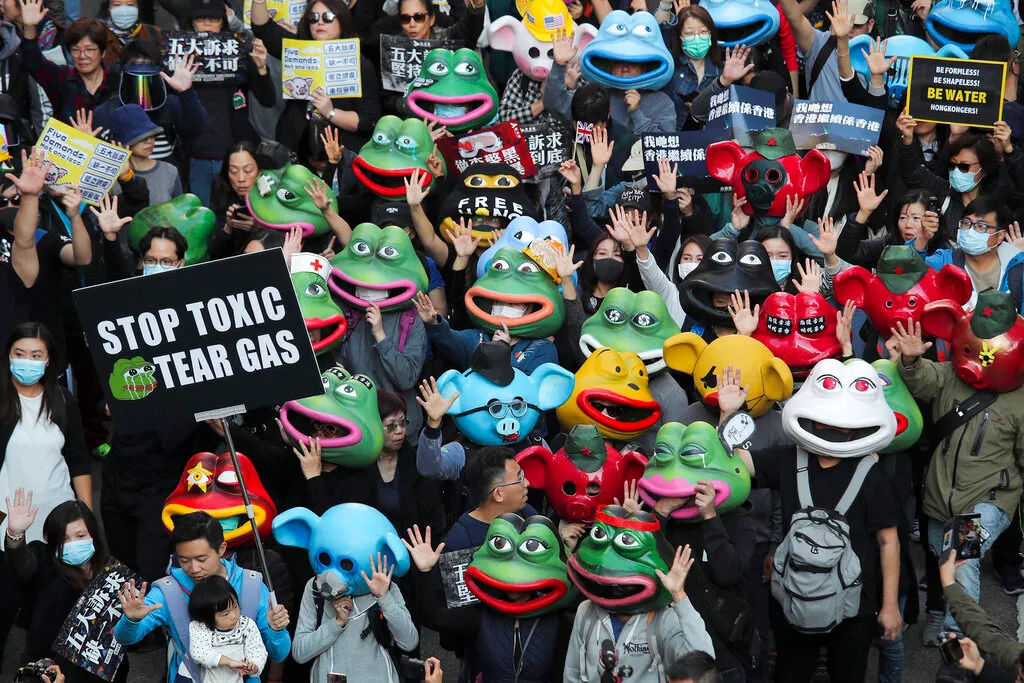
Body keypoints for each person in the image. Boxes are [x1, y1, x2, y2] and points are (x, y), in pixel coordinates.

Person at [113, 511, 291, 683]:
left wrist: (276, 631)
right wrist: (131, 620)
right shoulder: (168, 591)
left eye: (201, 559)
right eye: (184, 560)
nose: (194, 568)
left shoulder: (252, 586)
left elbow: (279, 654)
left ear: (221, 549)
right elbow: (125, 638)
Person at [4, 493, 127, 683]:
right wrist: (15, 536)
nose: (73, 543)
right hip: (45, 670)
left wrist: (134, 619)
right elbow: (23, 565)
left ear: (93, 535)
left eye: (80, 536)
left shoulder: (113, 575)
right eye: (64, 538)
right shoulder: (45, 560)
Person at [250, 0, 381, 152]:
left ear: (342, 20)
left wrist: (331, 113)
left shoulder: (359, 63)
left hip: (339, 153)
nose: (319, 22)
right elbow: (263, 29)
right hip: (296, 148)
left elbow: (368, 120)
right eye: (313, 17)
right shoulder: (298, 50)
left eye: (328, 17)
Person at [1, 322, 91, 542]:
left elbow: (78, 460)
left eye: (36, 355)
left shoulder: (62, 399)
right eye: (20, 354)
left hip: (59, 516)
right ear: (9, 356)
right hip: (8, 521)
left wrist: (87, 518)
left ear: (48, 360)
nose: (27, 362)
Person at [185, 0, 276, 208]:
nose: (207, 24)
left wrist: (261, 69)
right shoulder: (178, 54)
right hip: (195, 155)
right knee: (200, 219)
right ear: (192, 23)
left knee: (240, 217)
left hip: (235, 157)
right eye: (201, 19)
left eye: (214, 19)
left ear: (222, 23)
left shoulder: (239, 53)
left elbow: (267, 99)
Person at [291, 552, 418, 683]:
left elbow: (409, 642)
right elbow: (300, 652)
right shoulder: (316, 587)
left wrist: (384, 598)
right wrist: (336, 623)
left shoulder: (384, 584)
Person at [917, 196, 1024, 313]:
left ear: (999, 236)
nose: (971, 230)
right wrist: (922, 237)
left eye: (981, 226)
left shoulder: (1018, 269)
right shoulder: (945, 261)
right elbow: (908, 273)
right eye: (966, 223)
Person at [19, 14, 113, 124]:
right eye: (75, 50)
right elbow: (33, 62)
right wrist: (29, 26)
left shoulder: (116, 83)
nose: (82, 56)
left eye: (89, 50)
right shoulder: (62, 79)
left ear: (103, 52)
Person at [188, 575, 268, 683]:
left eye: (235, 606)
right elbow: (199, 653)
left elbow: (257, 650)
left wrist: (254, 666)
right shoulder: (200, 627)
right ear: (207, 617)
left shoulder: (247, 625)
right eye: (225, 613)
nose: (234, 615)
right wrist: (229, 662)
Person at [108, 104, 183, 206]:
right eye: (141, 137)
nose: (149, 141)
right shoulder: (112, 176)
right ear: (124, 141)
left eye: (152, 135)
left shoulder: (169, 171)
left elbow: (179, 212)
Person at [210, 142, 261, 259]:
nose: (241, 179)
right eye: (234, 171)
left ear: (260, 171)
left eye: (248, 171)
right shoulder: (221, 194)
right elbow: (214, 254)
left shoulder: (271, 197)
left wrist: (260, 228)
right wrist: (228, 227)